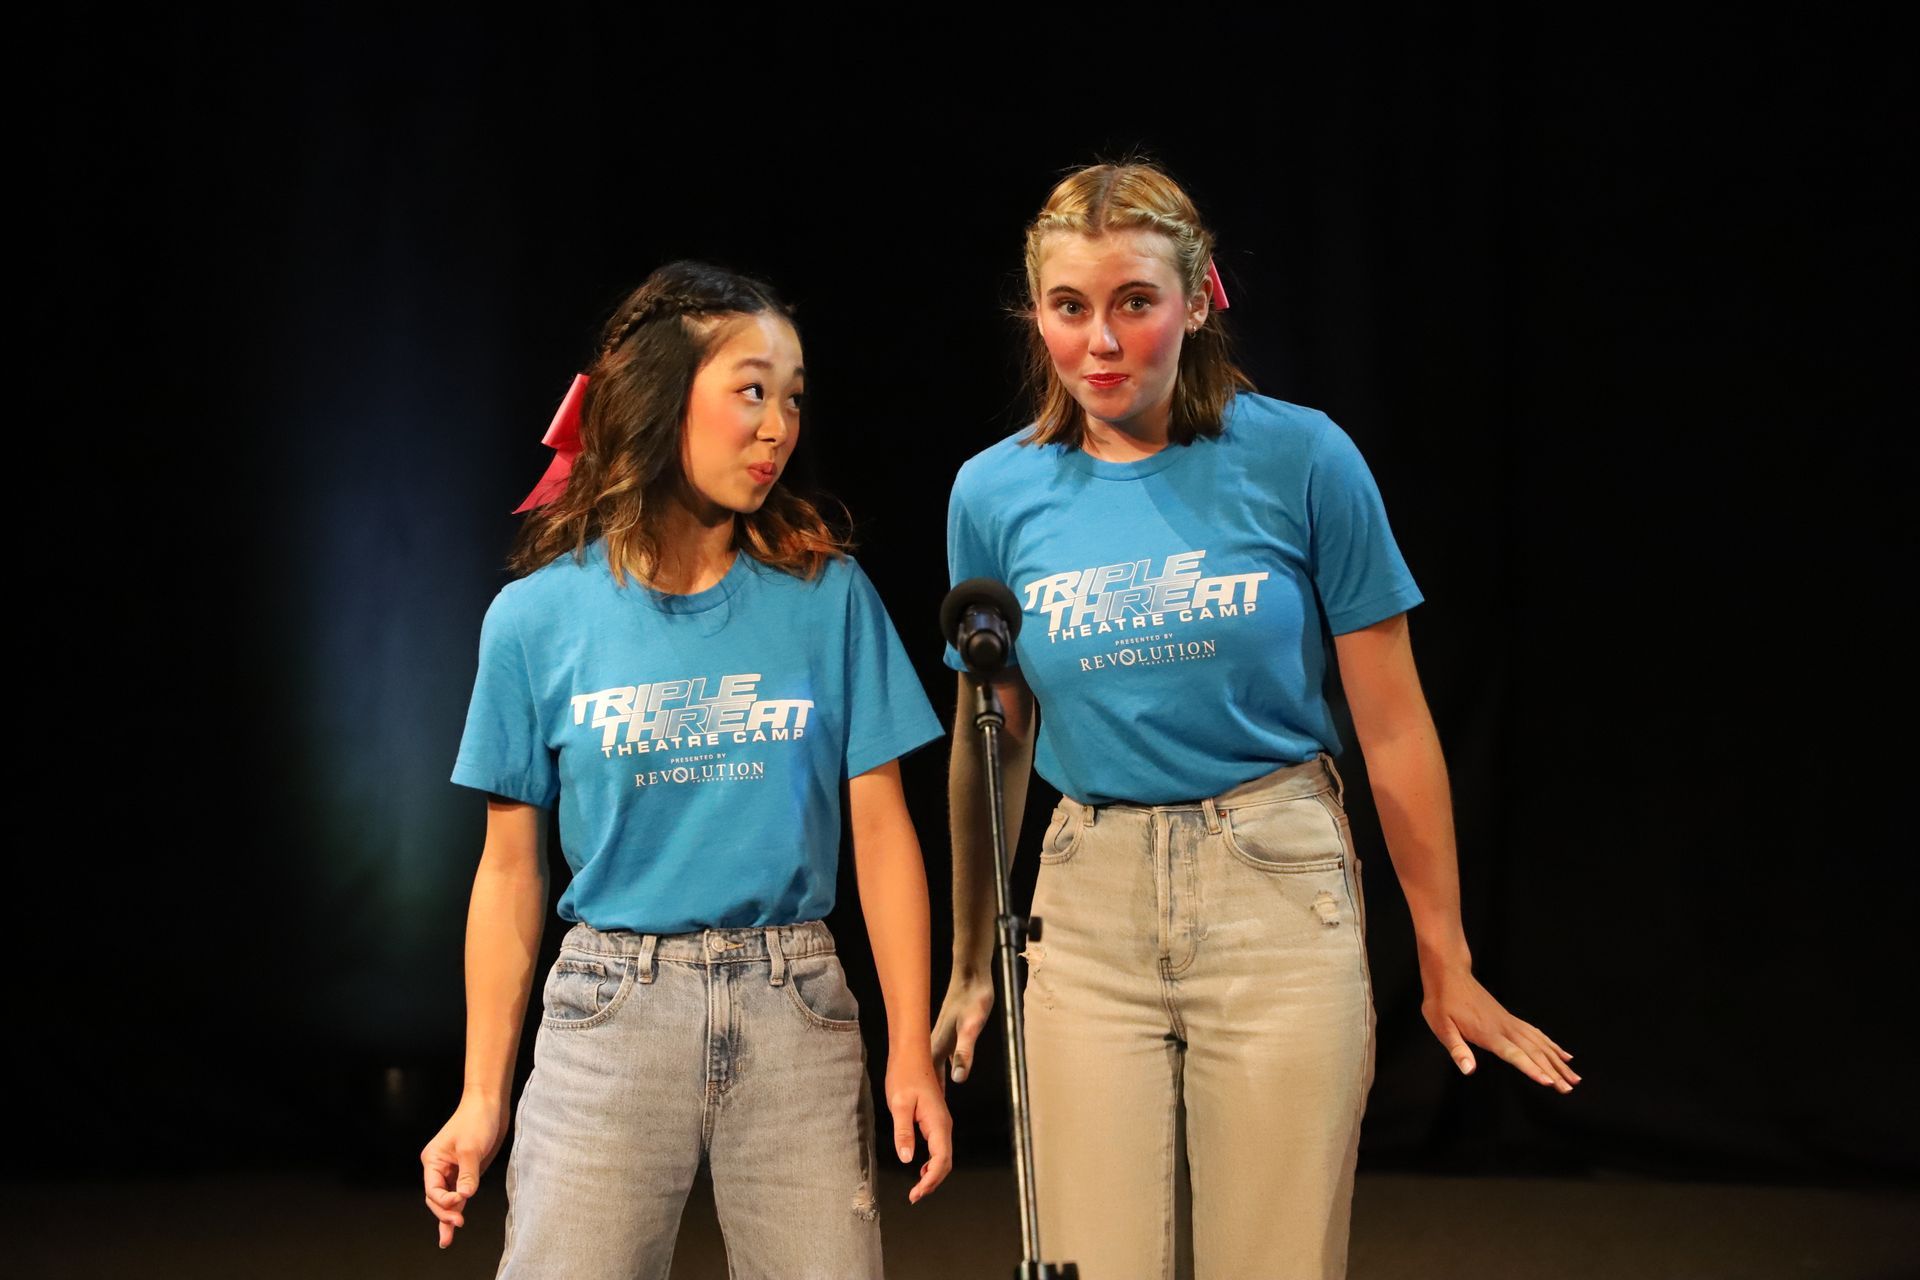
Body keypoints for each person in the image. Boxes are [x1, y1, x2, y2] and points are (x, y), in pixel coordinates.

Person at [931, 162, 1578, 1279]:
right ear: (1034, 314)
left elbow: (1394, 727)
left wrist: (1446, 955)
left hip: (1273, 886)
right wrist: (969, 960)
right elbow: (992, 732)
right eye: (1070, 306)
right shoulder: (993, 493)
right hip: (1089, 903)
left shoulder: (1302, 456)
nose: (1101, 341)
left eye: (1135, 301)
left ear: (1198, 299)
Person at [421, 261, 952, 1279]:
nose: (778, 426)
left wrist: (909, 1051)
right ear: (662, 397)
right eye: (751, 390)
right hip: (609, 1013)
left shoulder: (827, 596)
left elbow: (884, 832)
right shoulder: (535, 618)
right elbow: (509, 870)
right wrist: (482, 1094)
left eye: (793, 397)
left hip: (796, 1008)